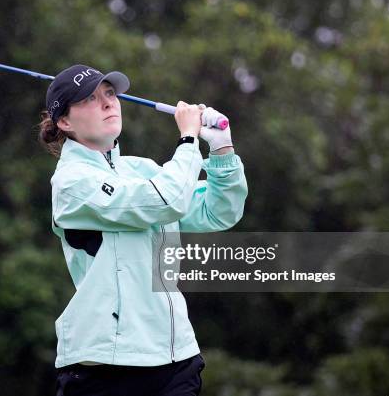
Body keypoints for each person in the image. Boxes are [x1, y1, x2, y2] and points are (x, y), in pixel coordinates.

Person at [38, 64, 248, 396]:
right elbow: (165, 201)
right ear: (64, 122)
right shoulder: (71, 182)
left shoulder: (142, 169)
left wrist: (222, 149)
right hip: (105, 366)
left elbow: (218, 211)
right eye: (90, 99)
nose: (108, 103)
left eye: (109, 93)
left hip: (175, 357)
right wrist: (189, 138)